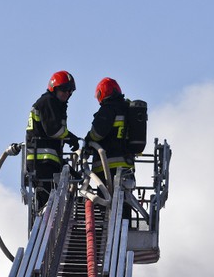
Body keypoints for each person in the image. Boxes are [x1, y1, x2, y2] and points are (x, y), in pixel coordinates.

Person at [85, 78, 141, 219]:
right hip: (127, 167)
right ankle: (125, 229)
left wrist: (87, 142)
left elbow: (97, 133)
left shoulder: (108, 109)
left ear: (103, 93)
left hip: (106, 168)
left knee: (105, 206)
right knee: (124, 203)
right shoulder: (129, 109)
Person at [25, 70, 80, 211]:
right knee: (47, 203)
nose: (67, 94)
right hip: (42, 161)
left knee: (51, 202)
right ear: (54, 88)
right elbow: (54, 130)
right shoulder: (48, 102)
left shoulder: (54, 104)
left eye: (70, 91)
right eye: (64, 90)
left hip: (47, 160)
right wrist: (71, 138)